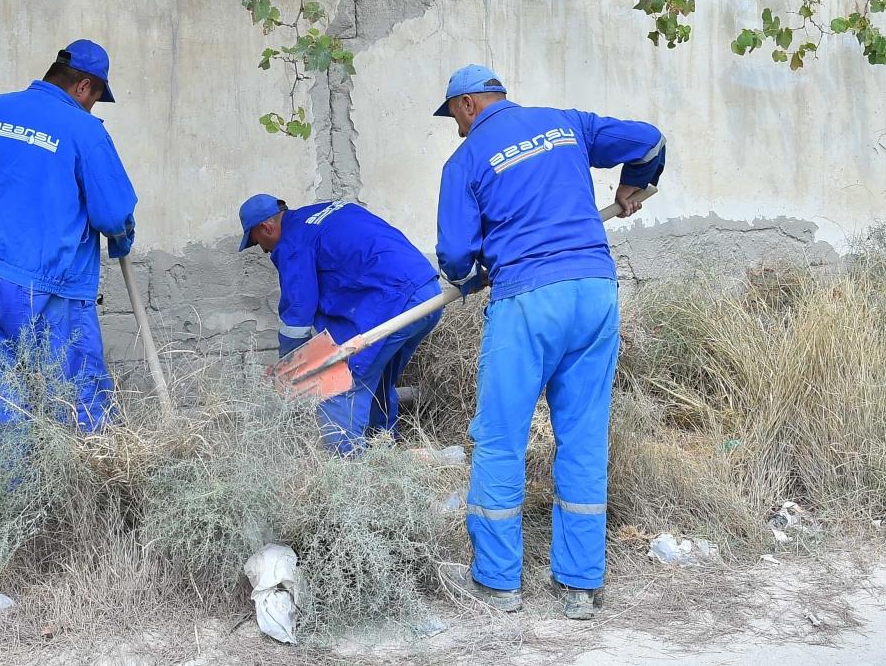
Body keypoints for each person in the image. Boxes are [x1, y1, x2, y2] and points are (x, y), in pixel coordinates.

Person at [433, 63, 665, 621]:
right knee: (583, 437)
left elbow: (456, 255)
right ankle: (579, 586)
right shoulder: (567, 123)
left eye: (454, 117)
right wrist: (631, 185)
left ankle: (497, 582)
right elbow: (650, 141)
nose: (457, 128)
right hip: (594, 291)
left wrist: (472, 273)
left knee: (500, 438)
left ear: (467, 104)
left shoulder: (465, 160)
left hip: (528, 301)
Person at [0, 39, 137, 433]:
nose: (92, 108)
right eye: (95, 99)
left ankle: (16, 471)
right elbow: (114, 215)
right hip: (46, 283)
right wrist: (122, 237)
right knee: (77, 393)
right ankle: (91, 469)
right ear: (83, 86)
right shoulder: (85, 130)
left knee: (5, 390)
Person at [239, 194, 444, 455]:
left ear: (266, 228)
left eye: (258, 242)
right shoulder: (326, 211)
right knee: (377, 378)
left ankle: (347, 470)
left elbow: (298, 313)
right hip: (426, 293)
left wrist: (291, 367)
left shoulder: (293, 243)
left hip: (393, 304)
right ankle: (383, 453)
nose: (264, 250)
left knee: (341, 385)